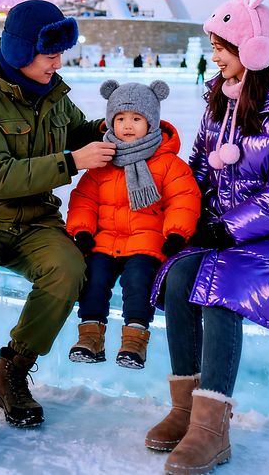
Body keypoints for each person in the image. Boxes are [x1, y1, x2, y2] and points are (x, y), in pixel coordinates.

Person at [145, 0, 269, 474]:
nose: (214, 57)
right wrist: (184, 204)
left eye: (221, 48)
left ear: (252, 51)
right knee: (181, 274)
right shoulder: (220, 103)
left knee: (224, 281)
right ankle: (185, 411)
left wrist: (229, 226)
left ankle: (212, 428)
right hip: (229, 228)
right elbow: (202, 166)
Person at [0, 0, 116, 457]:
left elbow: (79, 131)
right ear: (19, 51)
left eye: (61, 52)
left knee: (70, 269)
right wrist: (72, 162)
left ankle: (11, 372)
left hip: (35, 220)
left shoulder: (53, 93)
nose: (58, 61)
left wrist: (123, 126)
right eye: (48, 52)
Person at [66, 80, 200, 370]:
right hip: (105, 241)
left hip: (147, 242)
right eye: (121, 119)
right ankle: (90, 336)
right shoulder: (103, 161)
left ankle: (134, 340)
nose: (128, 125)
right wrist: (82, 230)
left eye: (136, 119)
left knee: (138, 281)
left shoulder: (168, 163)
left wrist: (177, 233)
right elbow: (84, 200)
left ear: (151, 122)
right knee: (93, 277)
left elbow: (184, 200)